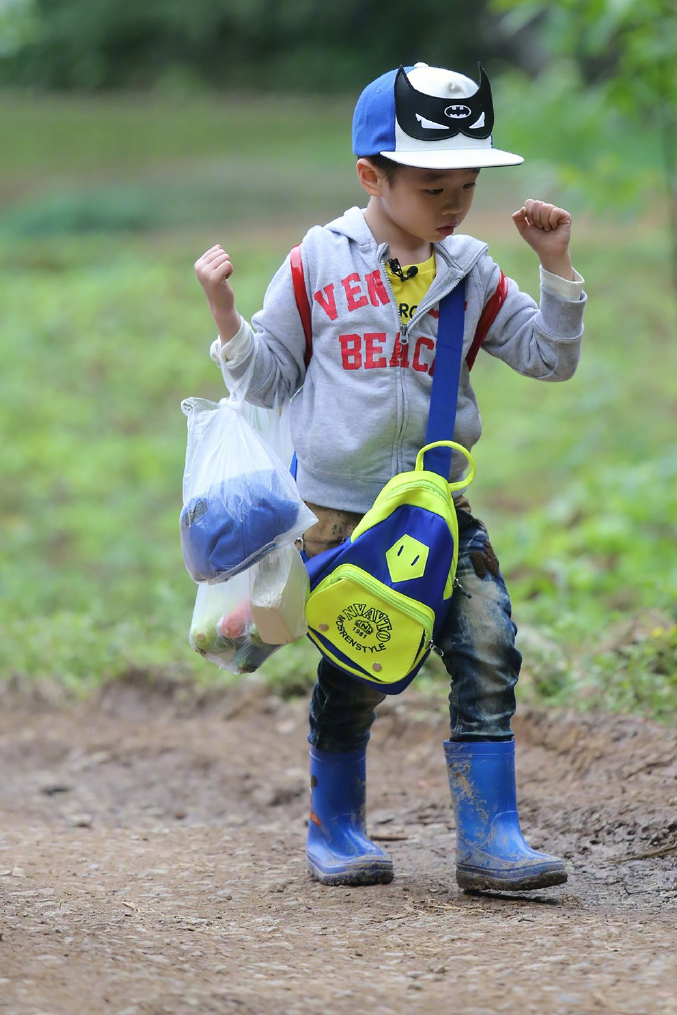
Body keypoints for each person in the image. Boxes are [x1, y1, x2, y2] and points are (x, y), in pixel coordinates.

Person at [194, 62, 586, 891]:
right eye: (433, 183)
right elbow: (264, 378)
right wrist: (227, 315)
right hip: (340, 518)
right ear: (371, 174)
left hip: (440, 509)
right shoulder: (317, 265)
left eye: (467, 185)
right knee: (358, 668)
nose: (453, 203)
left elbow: (549, 358)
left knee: (487, 644)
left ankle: (492, 837)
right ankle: (333, 825)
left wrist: (555, 267)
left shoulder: (473, 271)